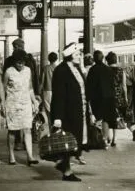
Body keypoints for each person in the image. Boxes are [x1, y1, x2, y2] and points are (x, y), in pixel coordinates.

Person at [50, 42, 94, 181]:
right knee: (68, 142)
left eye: (79, 54)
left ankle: (63, 165)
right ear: (69, 56)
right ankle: (67, 171)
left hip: (78, 111)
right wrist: (57, 117)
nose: (80, 56)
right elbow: (58, 95)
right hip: (67, 113)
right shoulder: (61, 70)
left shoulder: (76, 69)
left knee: (74, 141)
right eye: (76, 54)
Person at [3, 50, 39, 165]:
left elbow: (30, 88)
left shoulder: (28, 70)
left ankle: (30, 156)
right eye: (18, 63)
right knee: (12, 130)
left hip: (26, 103)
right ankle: (11, 156)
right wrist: (2, 105)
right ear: (14, 62)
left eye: (23, 63)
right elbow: (3, 89)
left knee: (27, 129)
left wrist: (34, 101)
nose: (21, 65)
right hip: (12, 104)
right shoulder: (8, 72)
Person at [86, 50, 117, 148]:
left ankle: (99, 139)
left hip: (97, 98)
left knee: (98, 118)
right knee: (106, 119)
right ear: (103, 58)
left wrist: (88, 98)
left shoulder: (92, 70)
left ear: (94, 59)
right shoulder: (108, 69)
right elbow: (113, 85)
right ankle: (105, 138)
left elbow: (89, 85)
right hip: (109, 98)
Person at [106, 51, 128, 148]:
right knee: (116, 117)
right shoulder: (121, 70)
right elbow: (124, 85)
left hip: (107, 95)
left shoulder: (105, 70)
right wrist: (126, 97)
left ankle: (108, 137)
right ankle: (114, 139)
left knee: (107, 116)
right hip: (118, 96)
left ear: (107, 61)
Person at [39, 51, 59, 125]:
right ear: (56, 59)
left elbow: (42, 81)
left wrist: (39, 92)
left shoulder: (45, 68)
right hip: (56, 91)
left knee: (48, 110)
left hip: (47, 91)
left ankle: (50, 125)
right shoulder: (58, 68)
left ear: (48, 59)